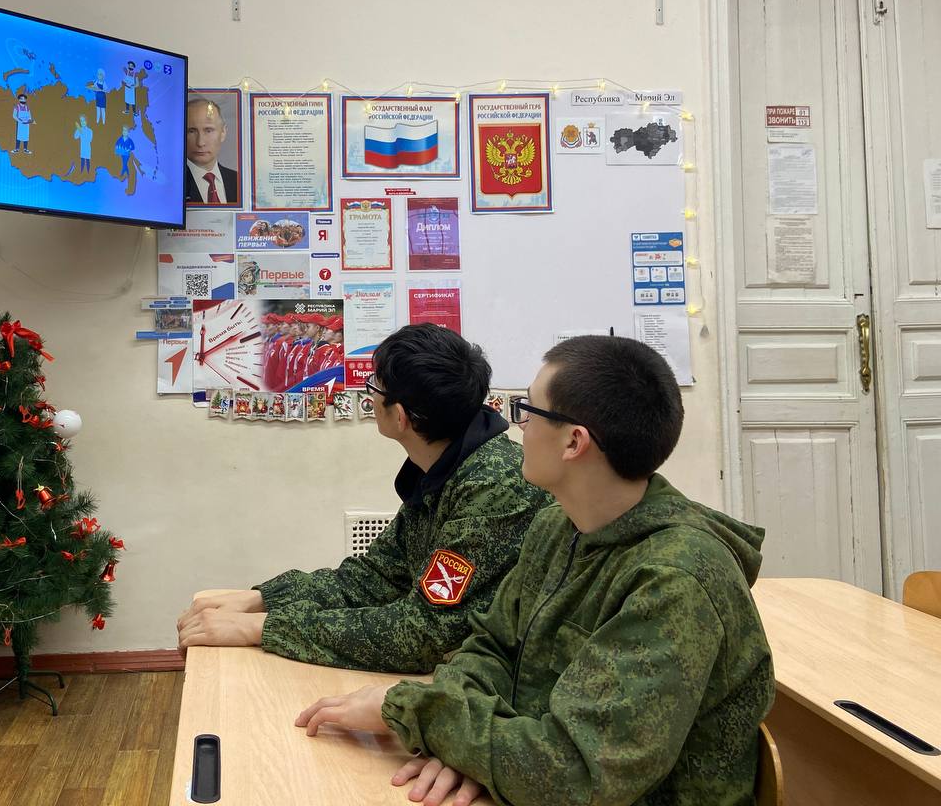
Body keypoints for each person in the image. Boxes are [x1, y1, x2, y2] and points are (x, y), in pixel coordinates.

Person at [295, 335, 775, 806]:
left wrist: (418, 715)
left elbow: (577, 775)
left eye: (527, 410)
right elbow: (492, 647)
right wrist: (465, 748)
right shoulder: (557, 527)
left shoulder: (674, 581)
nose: (516, 426)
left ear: (573, 441)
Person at [177, 323, 549, 672]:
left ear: (400, 416)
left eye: (374, 386)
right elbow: (376, 578)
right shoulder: (447, 463)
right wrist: (263, 600)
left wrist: (261, 628)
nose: (369, 395)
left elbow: (423, 635)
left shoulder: (495, 487)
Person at [184, 96, 240, 206]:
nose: (200, 143)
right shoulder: (172, 184)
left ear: (223, 133)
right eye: (191, 131)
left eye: (208, 130)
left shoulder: (239, 181)